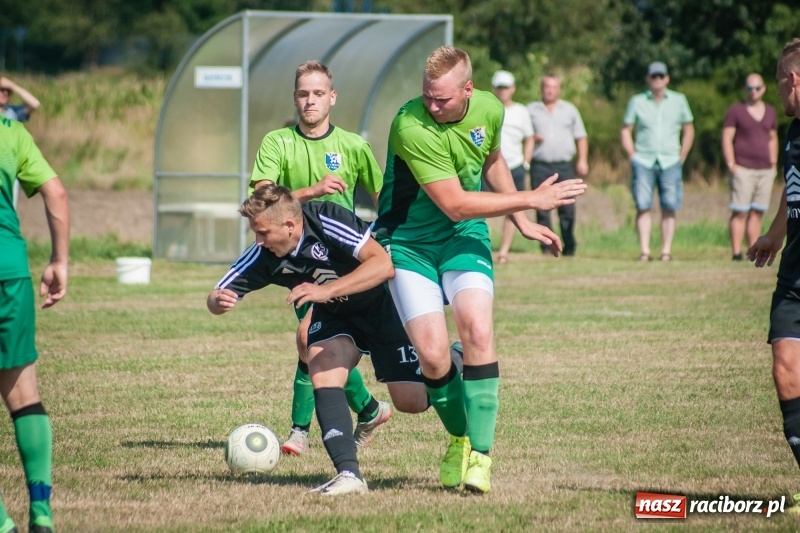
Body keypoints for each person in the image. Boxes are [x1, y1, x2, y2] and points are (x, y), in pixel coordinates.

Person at [372, 46, 587, 494]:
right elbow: (453, 203)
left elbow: (491, 160)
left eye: (443, 99)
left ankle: (482, 457)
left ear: (468, 90)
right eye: (427, 96)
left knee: (478, 330)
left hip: (464, 238)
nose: (432, 106)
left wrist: (522, 222)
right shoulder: (410, 124)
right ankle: (459, 438)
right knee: (432, 356)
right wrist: (531, 199)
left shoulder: (489, 108)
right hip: (408, 245)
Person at [207, 184, 428, 495]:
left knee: (411, 402)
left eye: (263, 233)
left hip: (383, 307)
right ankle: (349, 475)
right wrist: (217, 302)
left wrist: (324, 291)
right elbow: (218, 294)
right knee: (322, 369)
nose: (258, 241)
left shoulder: (327, 219)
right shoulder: (263, 253)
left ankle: (453, 361)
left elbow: (382, 265)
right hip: (337, 316)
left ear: (289, 225)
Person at [249, 60, 388, 457]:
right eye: (302, 94)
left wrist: (385, 241)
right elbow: (264, 201)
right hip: (294, 261)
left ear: (332, 97)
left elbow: (383, 200)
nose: (309, 101)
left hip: (341, 264)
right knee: (315, 342)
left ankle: (299, 432)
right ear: (295, 97)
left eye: (317, 93)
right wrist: (312, 190)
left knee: (310, 337)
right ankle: (369, 408)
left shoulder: (353, 146)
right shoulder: (277, 142)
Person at [0, 117, 69, 532]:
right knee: (24, 392)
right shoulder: (9, 131)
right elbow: (56, 191)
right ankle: (41, 508)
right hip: (8, 272)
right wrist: (59, 260)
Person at [748, 37, 800, 513]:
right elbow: (792, 185)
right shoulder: (794, 132)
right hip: (794, 276)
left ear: (792, 80)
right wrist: (774, 233)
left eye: (781, 80)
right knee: (785, 370)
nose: (780, 91)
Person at [621, 61, 694, 262]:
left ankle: (666, 251)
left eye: (661, 76)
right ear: (647, 79)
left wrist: (683, 155)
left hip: (671, 160)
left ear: (667, 78)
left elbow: (688, 128)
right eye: (653, 76)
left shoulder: (679, 100)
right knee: (643, 205)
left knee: (669, 206)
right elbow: (626, 129)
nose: (657, 80)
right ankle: (644, 251)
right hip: (643, 160)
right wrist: (632, 155)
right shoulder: (637, 101)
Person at [527, 73, 589, 257]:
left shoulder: (570, 110)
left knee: (567, 207)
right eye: (547, 86)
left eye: (554, 87)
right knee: (542, 208)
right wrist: (533, 137)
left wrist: (582, 160)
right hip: (540, 164)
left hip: (564, 165)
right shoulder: (530, 110)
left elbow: (581, 136)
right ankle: (546, 247)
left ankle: (568, 246)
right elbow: (522, 134)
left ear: (559, 89)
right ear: (541, 88)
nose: (550, 90)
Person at [722, 73, 779, 261]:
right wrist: (732, 164)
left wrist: (773, 164)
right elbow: (727, 137)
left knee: (757, 211)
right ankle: (736, 253)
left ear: (763, 89)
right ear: (744, 90)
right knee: (740, 211)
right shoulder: (736, 110)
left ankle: (752, 250)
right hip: (743, 168)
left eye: (756, 88)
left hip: (765, 169)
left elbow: (772, 139)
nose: (753, 92)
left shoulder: (771, 111)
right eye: (749, 88)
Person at [490, 70, 534, 264]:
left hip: (514, 165)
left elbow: (529, 138)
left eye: (506, 87)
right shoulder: (487, 109)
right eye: (499, 87)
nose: (503, 91)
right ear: (493, 89)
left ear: (513, 89)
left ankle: (504, 252)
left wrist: (526, 162)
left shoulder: (522, 111)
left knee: (514, 209)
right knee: (476, 207)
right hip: (488, 166)